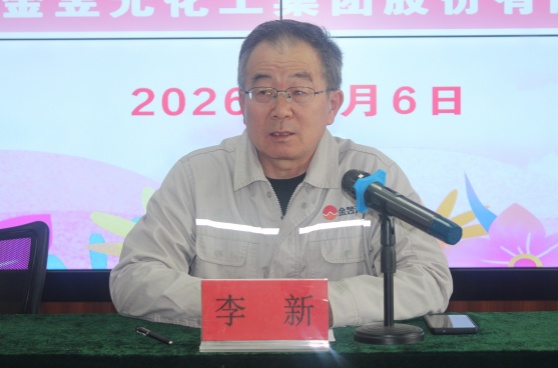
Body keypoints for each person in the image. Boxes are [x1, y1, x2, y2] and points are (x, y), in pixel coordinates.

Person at [109, 19, 452, 328]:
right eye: (263, 93)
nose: (281, 110)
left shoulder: (372, 174)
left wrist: (321, 306)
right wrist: (246, 307)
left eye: (299, 92)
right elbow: (134, 279)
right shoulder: (196, 175)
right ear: (242, 103)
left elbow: (428, 280)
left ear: (332, 104)